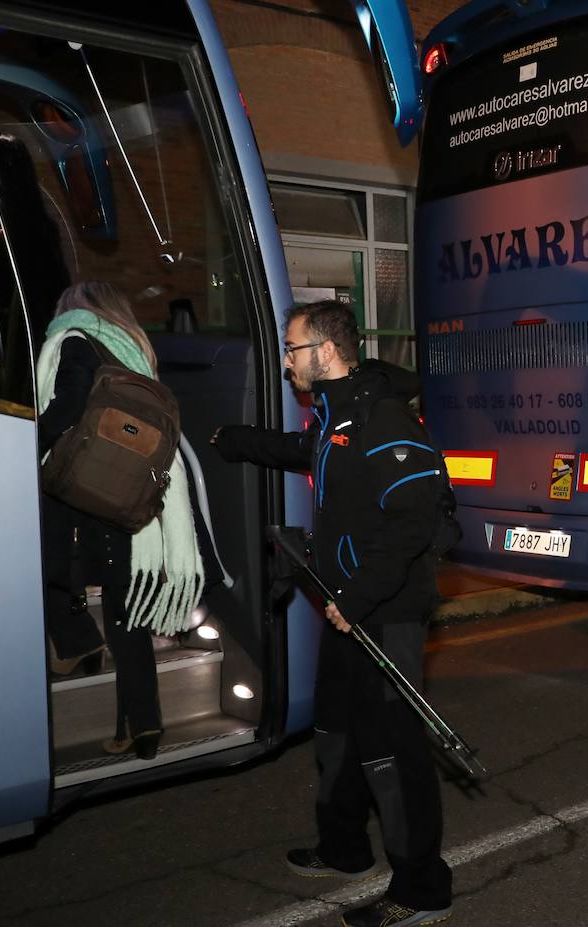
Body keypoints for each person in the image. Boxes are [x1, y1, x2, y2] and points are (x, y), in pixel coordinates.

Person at [213, 300, 453, 927]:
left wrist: (358, 596)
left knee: (393, 750)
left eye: (293, 349)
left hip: (385, 611)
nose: (288, 361)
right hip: (347, 606)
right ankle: (345, 847)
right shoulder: (334, 420)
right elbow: (307, 451)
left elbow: (412, 524)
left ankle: (423, 889)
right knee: (337, 730)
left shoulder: (387, 419)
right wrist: (235, 441)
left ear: (324, 352)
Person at [36, 281, 206, 760]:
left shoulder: (72, 337)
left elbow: (68, 405)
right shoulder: (134, 348)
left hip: (82, 489)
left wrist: (27, 438)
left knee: (45, 563)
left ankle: (76, 642)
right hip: (128, 493)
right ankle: (143, 724)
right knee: (123, 610)